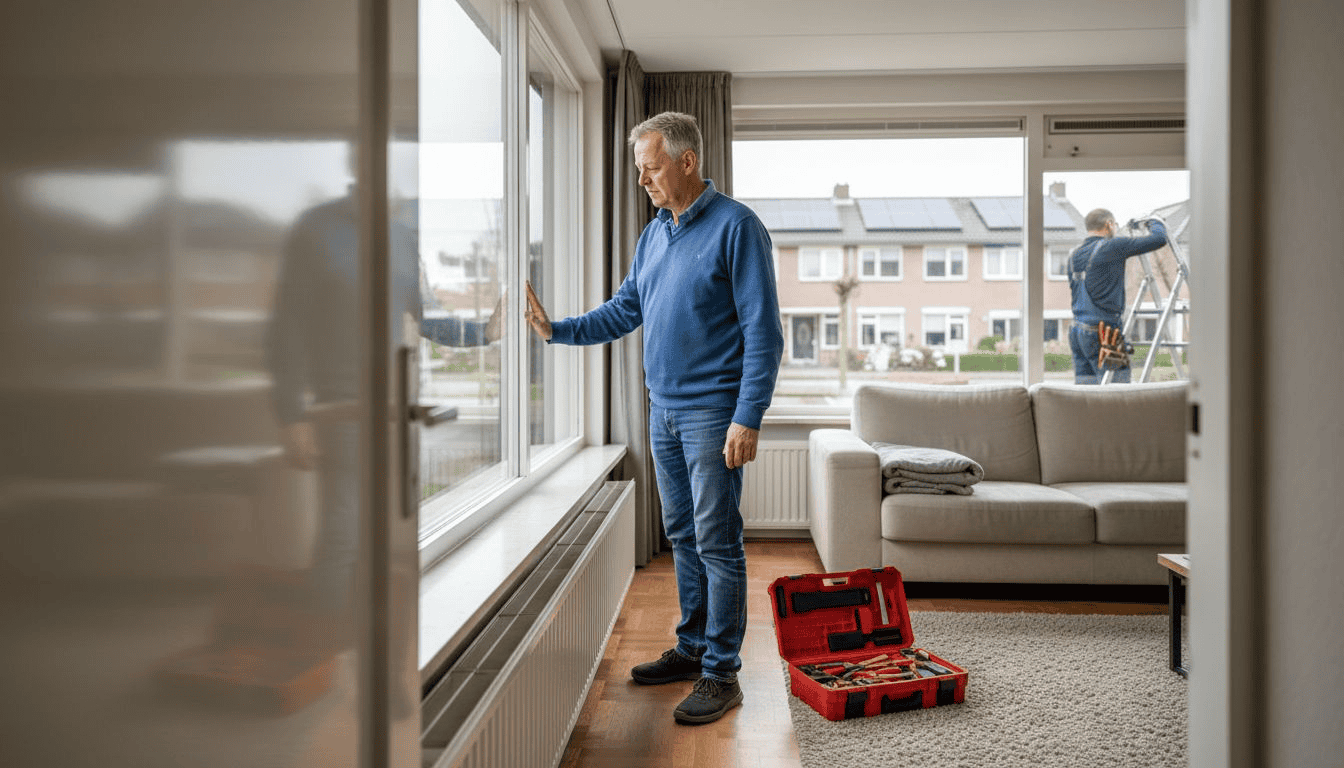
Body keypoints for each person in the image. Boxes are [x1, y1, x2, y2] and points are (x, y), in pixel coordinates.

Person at [523, 111, 784, 725]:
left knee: (718, 540)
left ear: (686, 161)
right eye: (638, 170)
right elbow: (623, 310)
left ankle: (722, 672)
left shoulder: (738, 228)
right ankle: (692, 649)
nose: (642, 180)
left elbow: (764, 334)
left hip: (714, 413)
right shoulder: (653, 236)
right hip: (662, 411)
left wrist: (748, 416)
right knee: (684, 536)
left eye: (650, 167)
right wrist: (556, 330)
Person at [1067, 209, 1169, 384]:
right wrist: (1155, 221)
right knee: (1118, 394)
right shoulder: (1112, 246)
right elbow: (1159, 239)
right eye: (1114, 225)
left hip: (1077, 333)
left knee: (1084, 396)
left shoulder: (1073, 254)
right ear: (1109, 224)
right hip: (1106, 336)